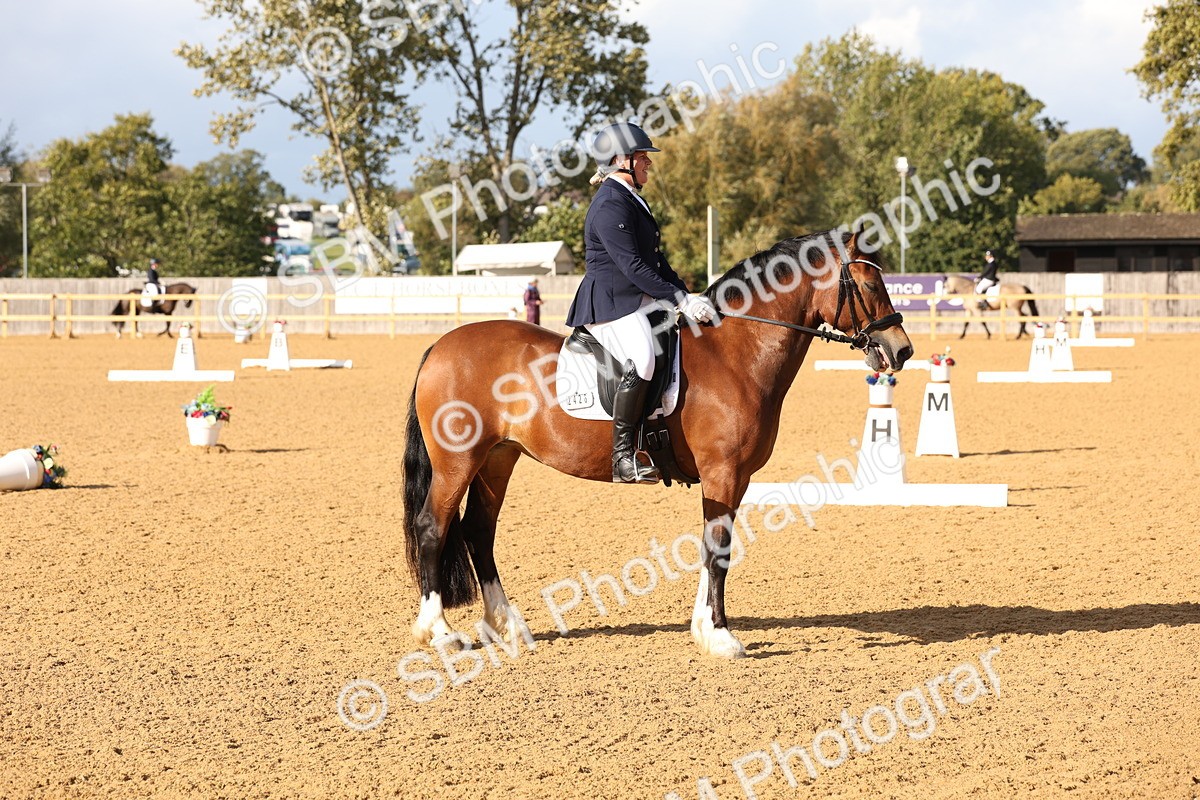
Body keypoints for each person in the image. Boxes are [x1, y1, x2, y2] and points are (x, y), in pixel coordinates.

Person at [566, 122, 716, 484]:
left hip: (638, 298)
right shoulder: (608, 205)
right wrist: (677, 298)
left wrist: (687, 296)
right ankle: (623, 457)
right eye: (643, 157)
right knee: (643, 358)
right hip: (612, 304)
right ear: (621, 160)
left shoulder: (632, 198)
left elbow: (654, 259)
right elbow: (631, 266)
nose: (649, 163)